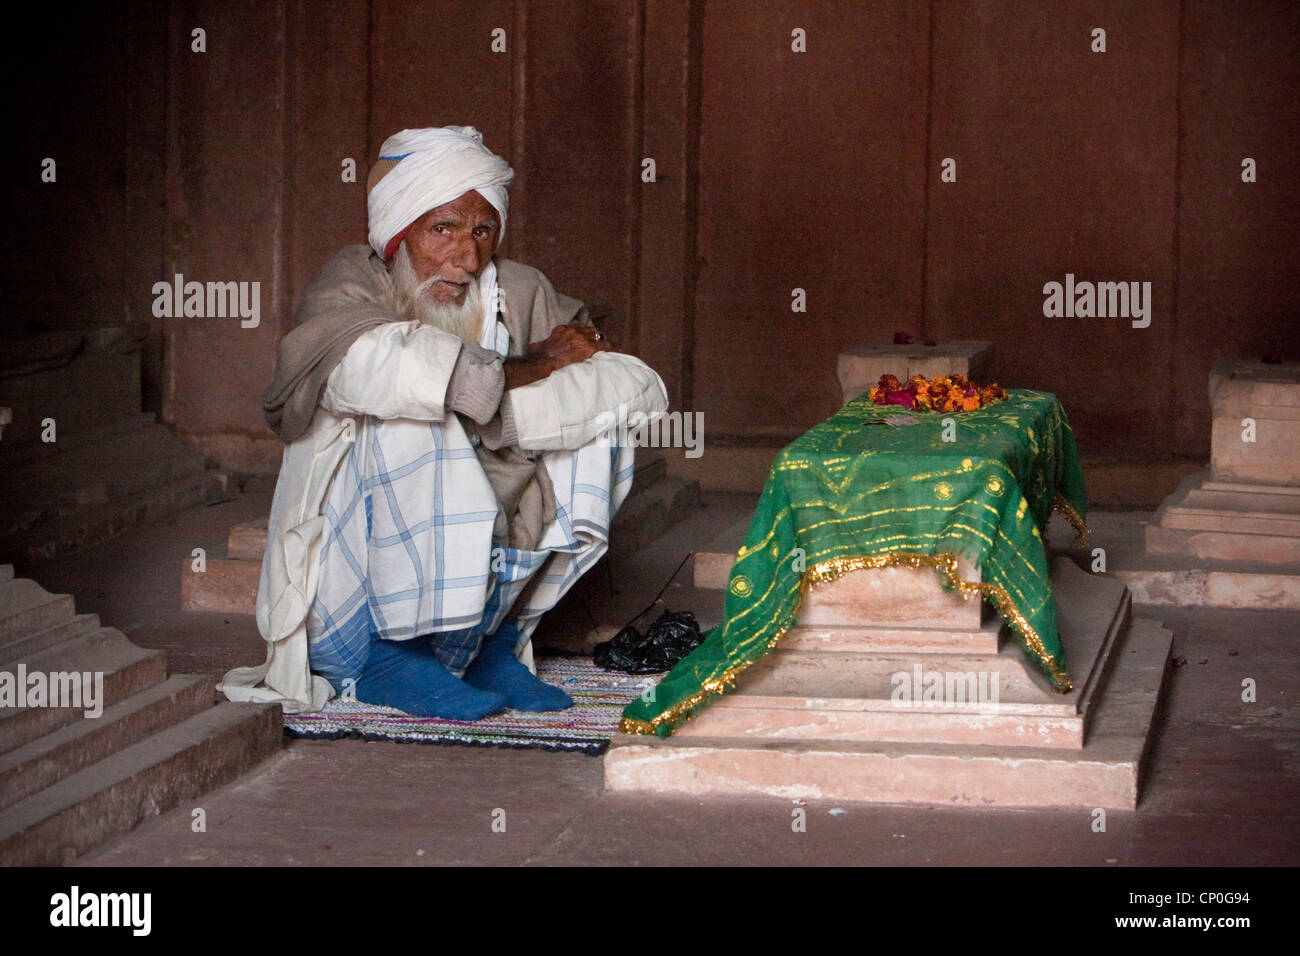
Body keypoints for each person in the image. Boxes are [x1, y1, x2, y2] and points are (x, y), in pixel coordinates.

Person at [219, 125, 668, 719]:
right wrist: (535, 370)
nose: (469, 255)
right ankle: (395, 658)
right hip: (355, 604)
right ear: (398, 232)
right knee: (413, 413)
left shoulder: (516, 288)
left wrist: (503, 416)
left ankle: (491, 646)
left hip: (489, 575)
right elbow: (393, 373)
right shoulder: (352, 283)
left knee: (599, 430)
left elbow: (631, 383)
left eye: (484, 229)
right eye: (444, 229)